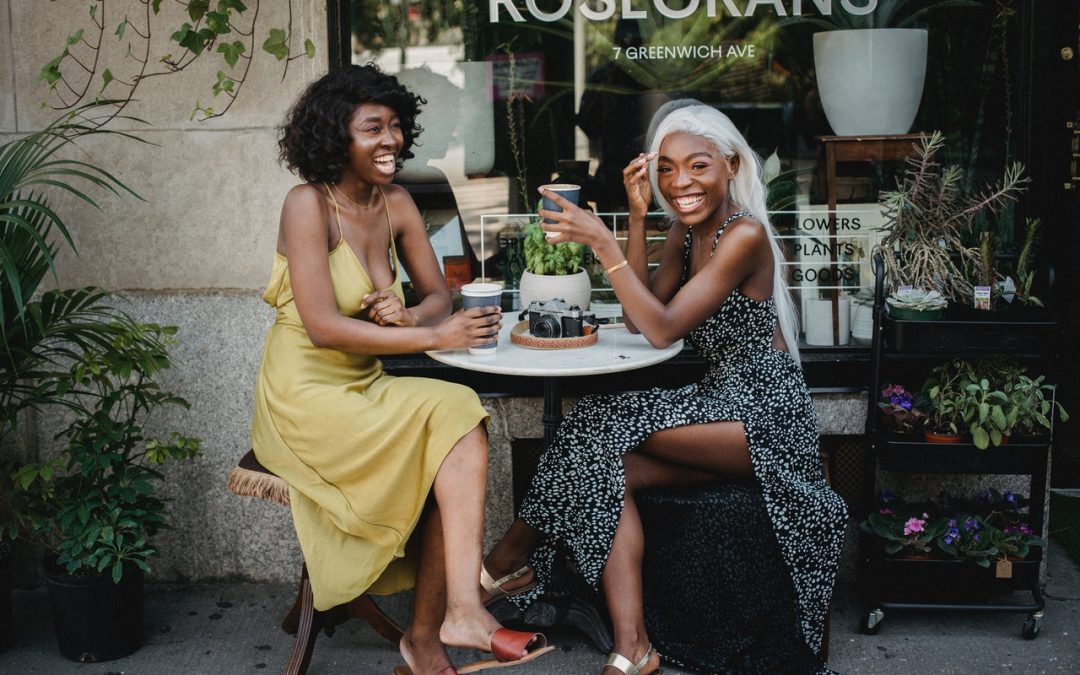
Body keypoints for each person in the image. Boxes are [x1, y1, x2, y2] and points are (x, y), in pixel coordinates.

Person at [479, 103, 848, 674]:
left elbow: (663, 327)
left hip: (766, 418)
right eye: (668, 170)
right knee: (600, 468)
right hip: (720, 404)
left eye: (697, 167)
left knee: (597, 419)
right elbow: (638, 319)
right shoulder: (685, 230)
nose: (680, 184)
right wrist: (633, 216)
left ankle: (511, 557)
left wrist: (601, 245)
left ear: (729, 165)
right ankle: (635, 647)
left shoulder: (743, 235)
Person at [250, 64, 551, 675]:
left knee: (457, 420)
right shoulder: (307, 205)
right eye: (371, 128)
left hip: (366, 384)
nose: (389, 141)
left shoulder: (398, 204)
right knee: (452, 421)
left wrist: (411, 313)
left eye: (395, 126)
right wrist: (431, 334)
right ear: (336, 136)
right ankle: (442, 624)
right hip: (303, 396)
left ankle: (448, 618)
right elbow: (321, 326)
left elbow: (438, 295)